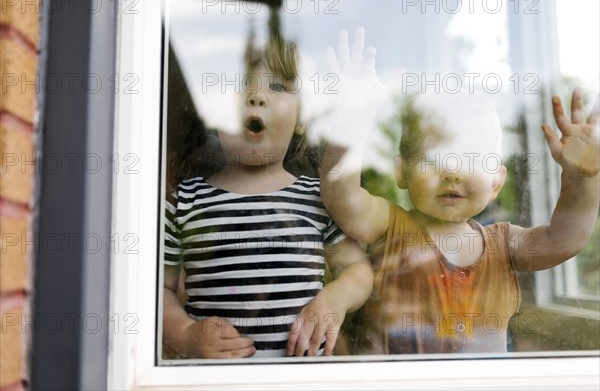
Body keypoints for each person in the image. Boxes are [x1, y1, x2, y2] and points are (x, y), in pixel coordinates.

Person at [319, 30, 599, 353]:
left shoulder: (505, 245)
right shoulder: (389, 227)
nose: (452, 171)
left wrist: (582, 178)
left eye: (471, 158)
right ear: (401, 171)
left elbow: (565, 239)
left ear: (497, 182)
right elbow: (341, 196)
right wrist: (352, 118)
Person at [162, 32, 373, 359]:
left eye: (277, 87)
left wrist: (334, 301)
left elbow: (358, 271)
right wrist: (186, 335)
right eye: (240, 83)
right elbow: (158, 290)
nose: (257, 96)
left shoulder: (316, 198)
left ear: (302, 120)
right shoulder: (184, 202)